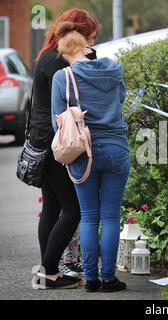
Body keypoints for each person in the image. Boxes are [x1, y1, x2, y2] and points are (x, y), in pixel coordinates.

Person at [51, 22, 131, 293]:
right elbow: (120, 100)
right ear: (86, 47)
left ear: (64, 53)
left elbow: (57, 124)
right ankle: (109, 279)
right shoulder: (114, 68)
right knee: (111, 216)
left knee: (88, 216)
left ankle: (92, 280)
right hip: (117, 148)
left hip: (84, 153)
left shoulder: (62, 77)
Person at [30, 9, 99, 289]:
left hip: (41, 140)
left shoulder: (46, 55)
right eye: (90, 37)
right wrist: (90, 57)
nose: (90, 44)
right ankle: (48, 273)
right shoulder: (60, 61)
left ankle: (51, 269)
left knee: (52, 207)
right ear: (79, 35)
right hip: (57, 143)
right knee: (73, 210)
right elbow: (80, 90)